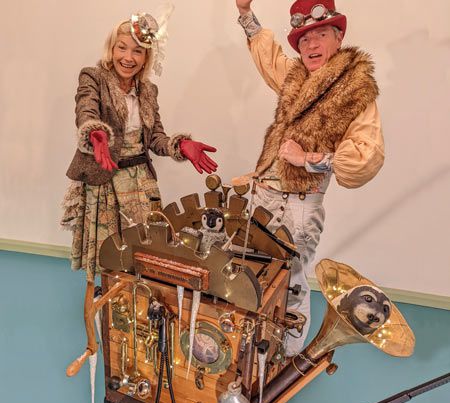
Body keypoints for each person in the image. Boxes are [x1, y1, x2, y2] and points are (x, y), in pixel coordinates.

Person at [235, 0, 385, 356]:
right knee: (249, 277)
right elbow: (270, 58)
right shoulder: (298, 77)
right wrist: (245, 13)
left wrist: (309, 160)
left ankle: (286, 365)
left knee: (290, 286)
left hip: (300, 206)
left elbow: (367, 155)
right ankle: (249, 359)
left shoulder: (356, 88)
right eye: (304, 39)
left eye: (320, 35)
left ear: (338, 38)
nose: (311, 45)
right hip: (263, 197)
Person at [61, 12, 218, 284]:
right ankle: (108, 301)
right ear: (111, 49)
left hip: (141, 183)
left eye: (137, 51)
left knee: (145, 253)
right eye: (121, 48)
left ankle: (138, 302)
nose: (128, 57)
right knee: (110, 256)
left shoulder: (148, 90)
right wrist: (95, 133)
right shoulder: (93, 77)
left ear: (146, 57)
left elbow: (155, 138)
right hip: (106, 182)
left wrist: (180, 145)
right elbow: (86, 110)